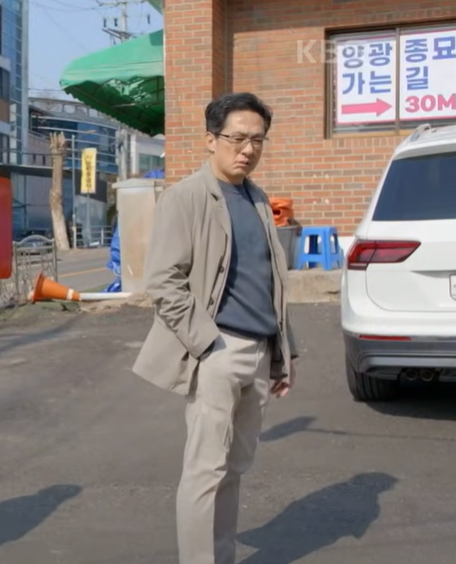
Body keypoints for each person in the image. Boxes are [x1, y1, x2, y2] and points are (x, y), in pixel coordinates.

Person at [131, 92, 299, 564]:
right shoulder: (186, 197)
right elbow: (163, 280)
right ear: (211, 139)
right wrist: (209, 345)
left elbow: (271, 282)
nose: (248, 149)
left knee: (234, 469)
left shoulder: (257, 198)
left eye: (257, 140)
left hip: (260, 351)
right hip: (218, 349)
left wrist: (284, 353)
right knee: (205, 472)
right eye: (237, 138)